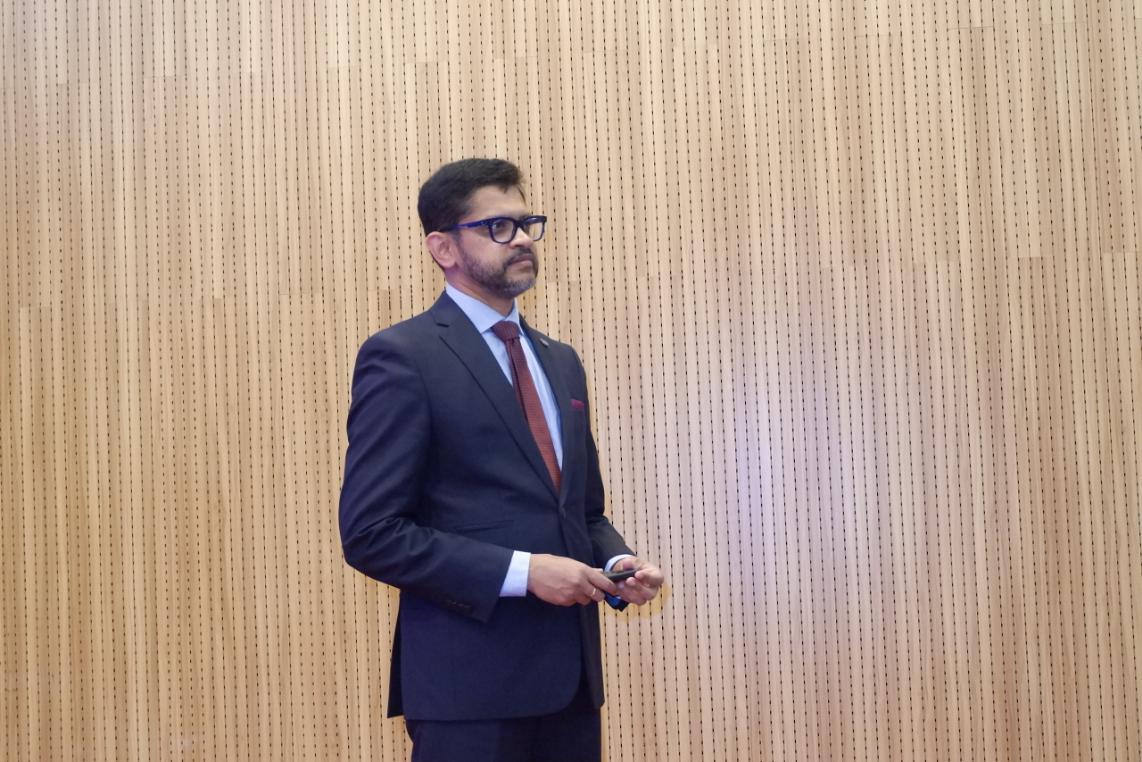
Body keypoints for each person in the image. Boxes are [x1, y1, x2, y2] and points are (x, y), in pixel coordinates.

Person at [339, 158, 665, 761]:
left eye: (526, 224)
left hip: (571, 690)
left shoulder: (560, 360)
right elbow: (372, 534)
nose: (520, 239)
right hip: (468, 694)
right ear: (443, 248)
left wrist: (617, 561)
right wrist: (524, 573)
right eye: (497, 227)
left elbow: (582, 512)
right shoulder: (403, 356)